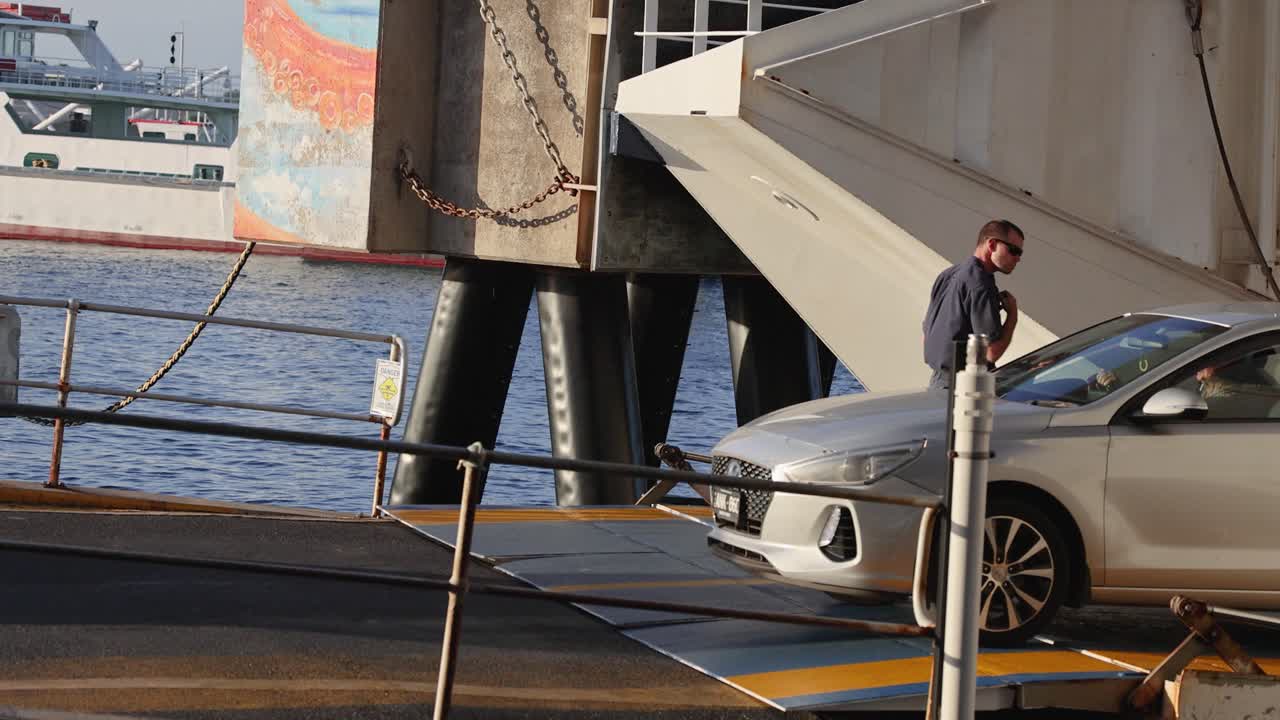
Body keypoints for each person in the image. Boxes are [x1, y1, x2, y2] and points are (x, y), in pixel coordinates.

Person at [922, 219, 1024, 389]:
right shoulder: (981, 285)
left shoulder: (947, 274)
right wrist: (1012, 316)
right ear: (991, 244)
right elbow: (991, 354)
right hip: (962, 389)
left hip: (937, 382)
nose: (1018, 259)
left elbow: (927, 333)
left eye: (1020, 253)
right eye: (1013, 251)